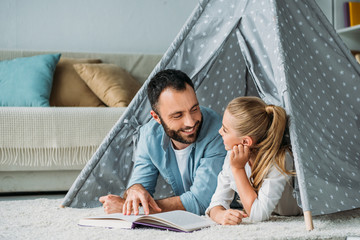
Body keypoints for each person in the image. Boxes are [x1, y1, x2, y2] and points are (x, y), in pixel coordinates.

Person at [100, 69, 227, 216]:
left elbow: (201, 201)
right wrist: (135, 190)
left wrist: (132, 208)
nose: (190, 122)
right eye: (178, 115)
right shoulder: (149, 135)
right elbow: (141, 185)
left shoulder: (219, 132)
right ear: (156, 117)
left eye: (194, 109)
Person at [207, 96, 302, 225]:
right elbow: (217, 200)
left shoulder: (279, 160)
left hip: (292, 216)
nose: (219, 132)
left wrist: (238, 169)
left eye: (225, 129)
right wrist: (218, 214)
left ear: (246, 141)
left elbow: (257, 215)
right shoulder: (232, 154)